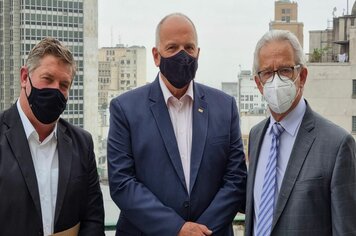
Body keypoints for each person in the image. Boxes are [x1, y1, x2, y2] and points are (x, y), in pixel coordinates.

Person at [107, 13, 247, 236]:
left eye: (189, 48)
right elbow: (122, 182)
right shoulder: (125, 108)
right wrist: (177, 229)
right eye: (172, 48)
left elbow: (236, 178)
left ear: (198, 53)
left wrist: (200, 232)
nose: (183, 55)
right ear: (156, 55)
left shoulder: (225, 106)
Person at [245, 29, 356, 236]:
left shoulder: (337, 144)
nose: (276, 81)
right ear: (259, 84)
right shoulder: (256, 135)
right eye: (268, 72)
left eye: (285, 70)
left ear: (302, 76)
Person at [0, 37, 105, 235]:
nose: (56, 90)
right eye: (47, 79)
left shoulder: (82, 143)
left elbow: (93, 218)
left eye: (64, 85)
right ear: (24, 77)